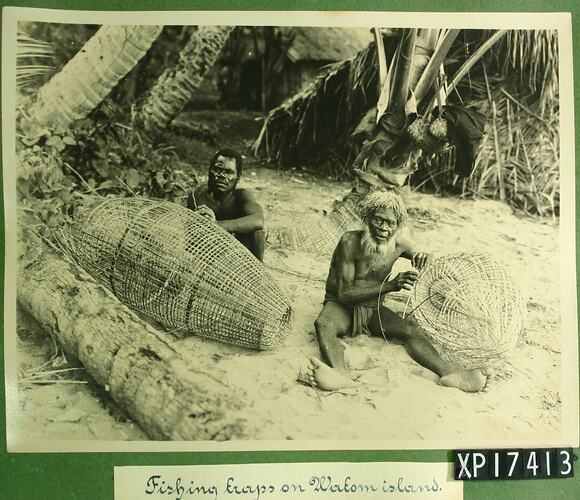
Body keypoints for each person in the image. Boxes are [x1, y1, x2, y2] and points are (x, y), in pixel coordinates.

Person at [306, 190, 492, 392]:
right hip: (342, 306)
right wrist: (390, 286)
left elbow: (422, 258)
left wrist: (424, 257)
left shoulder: (400, 245)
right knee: (324, 323)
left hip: (372, 308)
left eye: (390, 223)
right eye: (378, 220)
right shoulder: (349, 242)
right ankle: (340, 373)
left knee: (410, 329)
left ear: (398, 226)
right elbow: (344, 294)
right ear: (367, 218)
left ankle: (450, 373)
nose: (383, 228)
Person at [187, 148, 265, 261]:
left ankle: (257, 271)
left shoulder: (242, 196)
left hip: (238, 254)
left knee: (257, 231)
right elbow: (190, 238)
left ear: (238, 177)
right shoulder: (197, 196)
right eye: (217, 169)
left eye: (229, 172)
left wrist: (216, 224)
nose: (222, 175)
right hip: (207, 253)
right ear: (209, 171)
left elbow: (258, 220)